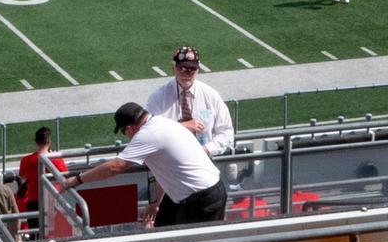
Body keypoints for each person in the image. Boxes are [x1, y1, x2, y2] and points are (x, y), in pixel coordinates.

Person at [67, 102, 228, 228]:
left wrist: (78, 180)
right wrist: (155, 203)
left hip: (201, 198)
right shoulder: (162, 122)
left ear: (130, 128)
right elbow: (166, 171)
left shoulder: (147, 135)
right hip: (200, 193)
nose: (127, 137)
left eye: (124, 132)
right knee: (163, 229)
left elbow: (115, 166)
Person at [147, 46, 236, 156]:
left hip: (203, 162)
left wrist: (206, 150)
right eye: (183, 69)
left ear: (198, 69)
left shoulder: (211, 96)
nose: (187, 74)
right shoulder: (158, 98)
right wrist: (182, 126)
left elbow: (226, 132)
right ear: (173, 68)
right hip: (170, 164)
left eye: (192, 69)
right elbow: (149, 133)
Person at [18, 127, 66, 213]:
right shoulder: (56, 159)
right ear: (48, 141)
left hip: (33, 201)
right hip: (51, 201)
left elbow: (22, 175)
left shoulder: (25, 160)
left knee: (35, 226)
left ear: (36, 141)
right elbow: (66, 176)